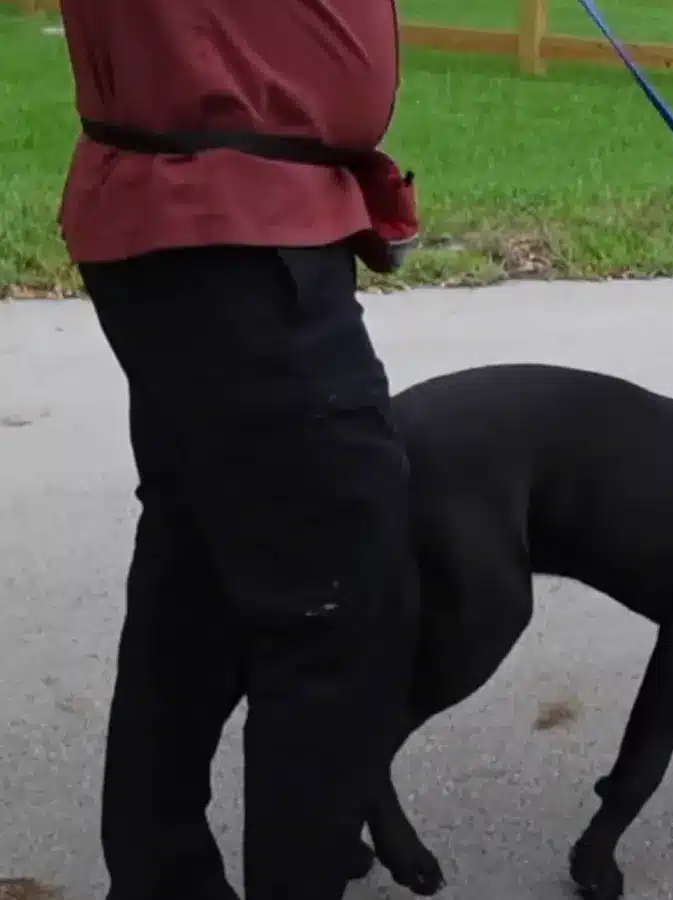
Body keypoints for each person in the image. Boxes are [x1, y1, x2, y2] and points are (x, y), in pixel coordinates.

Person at [57, 2, 422, 898]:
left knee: (199, 576)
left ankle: (160, 877)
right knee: (338, 603)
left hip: (207, 210)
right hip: (227, 220)